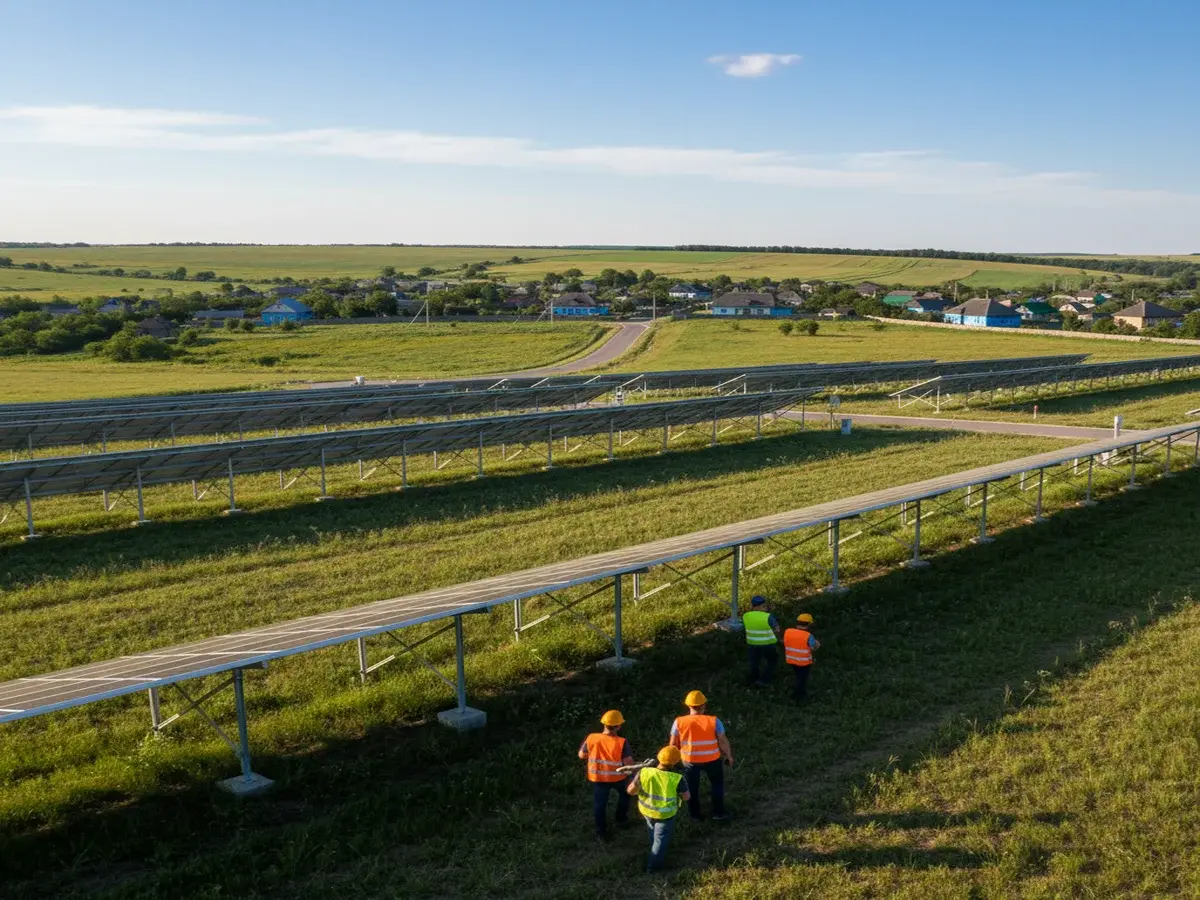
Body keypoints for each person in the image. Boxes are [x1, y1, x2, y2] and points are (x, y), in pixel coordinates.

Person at [669, 690, 734, 821]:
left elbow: (673, 744)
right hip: (712, 759)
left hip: (690, 761)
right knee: (717, 785)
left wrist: (671, 761)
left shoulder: (679, 722)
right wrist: (728, 756)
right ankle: (718, 813)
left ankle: (695, 816)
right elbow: (722, 740)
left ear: (688, 705)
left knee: (692, 788)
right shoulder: (714, 721)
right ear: (704, 705)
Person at [627, 745, 690, 873]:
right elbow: (686, 797)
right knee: (661, 840)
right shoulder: (677, 779)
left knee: (652, 831)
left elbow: (631, 791)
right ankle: (653, 867)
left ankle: (653, 849)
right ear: (675, 762)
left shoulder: (644, 772)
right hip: (665, 815)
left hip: (646, 811)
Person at [578, 709, 635, 840]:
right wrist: (634, 774)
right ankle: (621, 820)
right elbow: (629, 763)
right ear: (618, 726)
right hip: (618, 778)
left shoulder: (592, 737)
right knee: (625, 795)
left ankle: (601, 831)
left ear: (604, 724)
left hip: (598, 778)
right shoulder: (622, 742)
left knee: (600, 804)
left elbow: (581, 755)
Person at [742, 595, 780, 686]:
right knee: (772, 661)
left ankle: (753, 679)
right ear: (760, 607)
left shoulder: (746, 616)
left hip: (752, 643)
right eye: (764, 606)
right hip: (767, 644)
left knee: (754, 663)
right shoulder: (768, 616)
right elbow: (777, 629)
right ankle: (764, 680)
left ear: (752, 606)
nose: (766, 608)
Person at [783, 613, 821, 702]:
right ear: (809, 624)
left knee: (798, 675)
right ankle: (799, 696)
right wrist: (818, 645)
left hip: (791, 659)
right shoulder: (808, 636)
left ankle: (798, 692)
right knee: (802, 679)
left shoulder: (788, 631)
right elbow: (813, 648)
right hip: (803, 662)